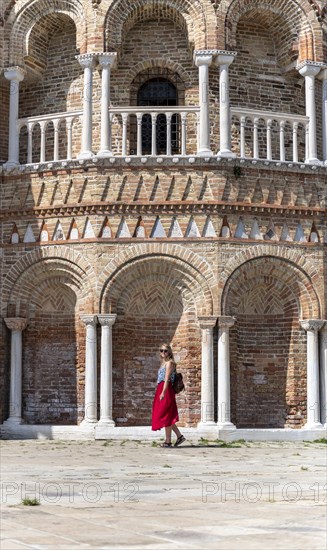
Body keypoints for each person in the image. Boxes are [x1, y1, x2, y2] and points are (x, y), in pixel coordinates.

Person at [151, 343, 186, 447]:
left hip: (166, 390)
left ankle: (168, 441)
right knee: (168, 415)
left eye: (165, 351)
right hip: (161, 388)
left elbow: (166, 379)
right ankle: (179, 437)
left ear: (169, 352)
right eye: (161, 350)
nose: (163, 352)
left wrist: (163, 392)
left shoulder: (170, 363)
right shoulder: (164, 363)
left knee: (165, 415)